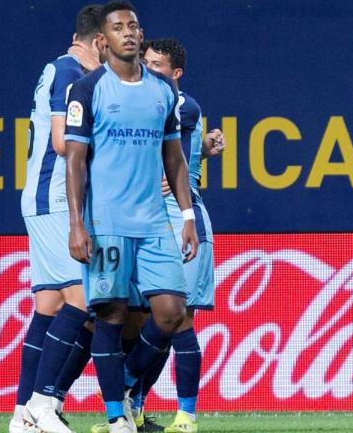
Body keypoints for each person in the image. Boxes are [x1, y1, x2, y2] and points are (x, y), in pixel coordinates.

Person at [64, 0, 199, 433]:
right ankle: (116, 417)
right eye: (119, 27)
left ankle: (123, 385)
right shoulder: (87, 90)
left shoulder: (163, 91)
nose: (129, 32)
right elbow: (75, 160)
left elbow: (174, 157)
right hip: (107, 224)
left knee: (172, 313)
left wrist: (188, 216)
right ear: (103, 41)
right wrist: (77, 224)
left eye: (134, 26)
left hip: (155, 223)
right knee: (111, 315)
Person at [12, 6, 103, 433]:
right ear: (98, 41)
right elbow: (63, 141)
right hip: (55, 198)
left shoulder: (63, 69)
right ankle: (42, 403)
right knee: (84, 302)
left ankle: (21, 415)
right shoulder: (70, 72)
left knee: (48, 306)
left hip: (44, 198)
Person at [139, 38, 225, 433]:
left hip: (183, 220)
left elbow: (154, 142)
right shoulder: (148, 102)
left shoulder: (180, 104)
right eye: (145, 62)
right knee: (153, 319)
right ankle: (132, 407)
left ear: (176, 74)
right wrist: (203, 149)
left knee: (178, 319)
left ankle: (185, 416)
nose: (148, 69)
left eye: (157, 65)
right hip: (148, 221)